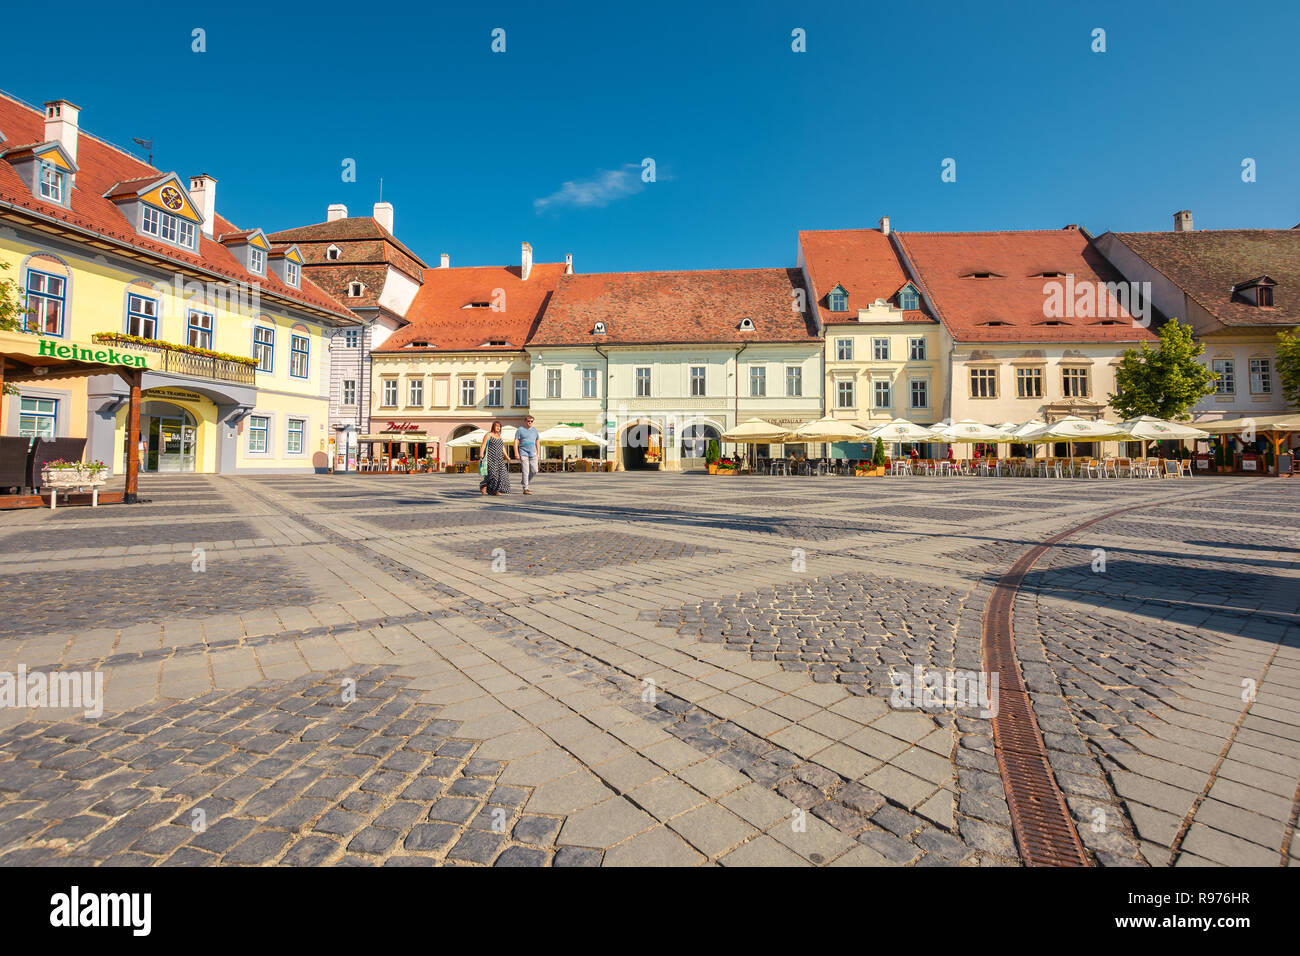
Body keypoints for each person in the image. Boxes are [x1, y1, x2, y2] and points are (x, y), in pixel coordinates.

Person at [479, 421, 511, 496]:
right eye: (496, 426)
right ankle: (483, 485)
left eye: (499, 426)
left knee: (501, 475)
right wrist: (481, 453)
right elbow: (483, 444)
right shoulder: (488, 435)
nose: (498, 428)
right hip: (490, 458)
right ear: (493, 427)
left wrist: (506, 456)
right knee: (492, 474)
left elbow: (502, 447)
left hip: (499, 459)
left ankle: (495, 490)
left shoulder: (500, 436)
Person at [514, 414, 540, 495]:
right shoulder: (520, 430)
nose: (530, 422)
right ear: (525, 421)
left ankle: (525, 481)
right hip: (523, 452)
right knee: (526, 471)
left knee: (535, 470)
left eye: (531, 421)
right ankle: (526, 488)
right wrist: (516, 452)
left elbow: (537, 442)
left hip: (533, 453)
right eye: (528, 421)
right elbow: (516, 441)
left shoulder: (535, 430)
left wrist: (538, 453)